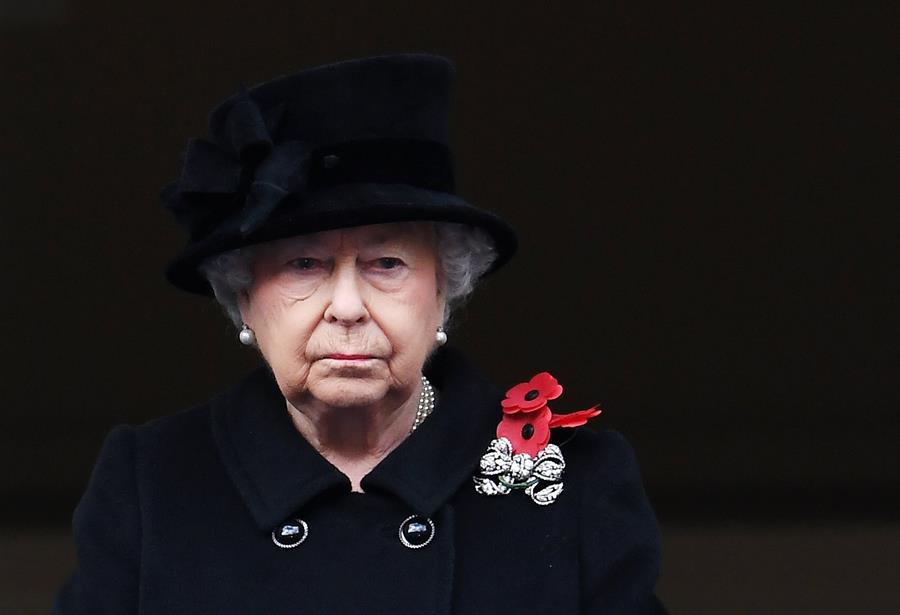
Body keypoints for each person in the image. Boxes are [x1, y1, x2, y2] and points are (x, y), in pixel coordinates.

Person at [54, 53, 666, 614]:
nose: (347, 306)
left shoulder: (577, 484)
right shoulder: (152, 483)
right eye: (304, 264)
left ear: (445, 291)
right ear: (245, 298)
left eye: (387, 264)